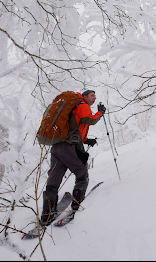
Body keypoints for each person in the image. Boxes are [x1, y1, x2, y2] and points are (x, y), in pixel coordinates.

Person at [40, 89, 105, 226]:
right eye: (92, 95)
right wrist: (100, 113)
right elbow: (89, 120)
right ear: (85, 96)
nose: (94, 98)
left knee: (54, 178)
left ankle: (47, 214)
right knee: (82, 173)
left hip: (57, 147)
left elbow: (74, 127)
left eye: (95, 95)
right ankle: (76, 205)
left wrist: (86, 140)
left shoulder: (73, 108)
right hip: (70, 147)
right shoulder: (82, 105)